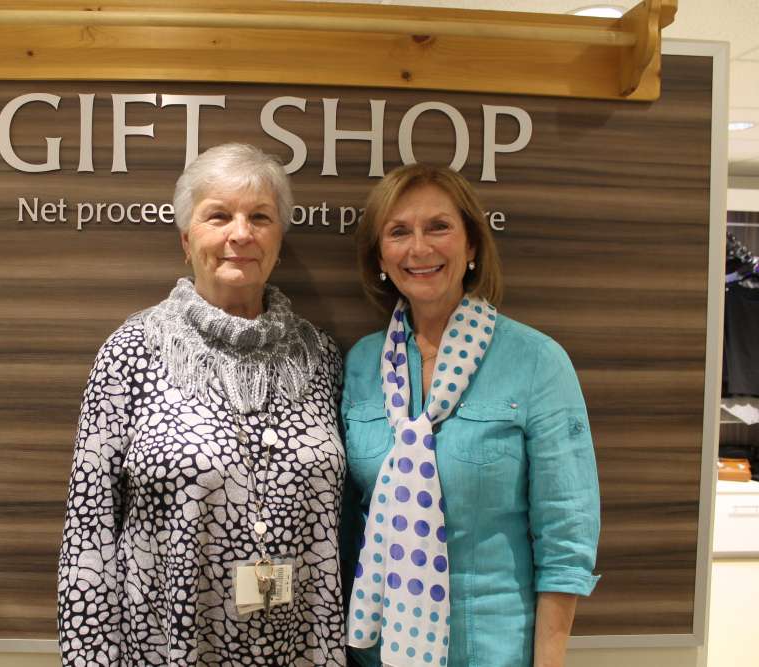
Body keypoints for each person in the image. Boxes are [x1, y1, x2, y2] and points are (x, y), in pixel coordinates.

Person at [57, 143, 347, 666]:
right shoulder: (132, 349)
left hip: (299, 650)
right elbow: (89, 528)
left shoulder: (320, 356)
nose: (241, 233)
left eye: (260, 216)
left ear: (279, 239)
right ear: (187, 240)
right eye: (219, 215)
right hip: (168, 650)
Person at [340, 164, 600, 667]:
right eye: (399, 232)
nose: (419, 249)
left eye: (438, 227)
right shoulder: (361, 365)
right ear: (379, 257)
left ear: (473, 246)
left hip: (496, 650)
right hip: (377, 651)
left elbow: (566, 534)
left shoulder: (536, 362)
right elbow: (351, 521)